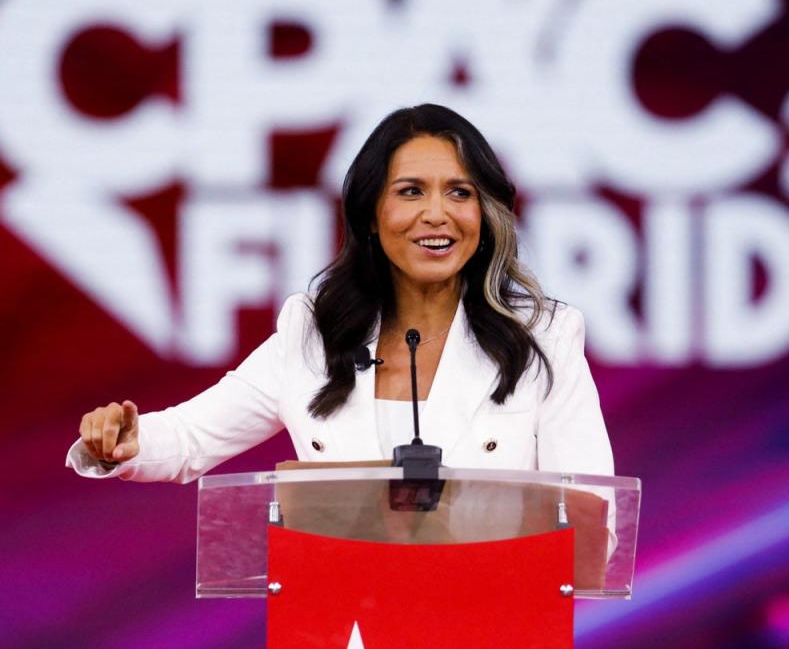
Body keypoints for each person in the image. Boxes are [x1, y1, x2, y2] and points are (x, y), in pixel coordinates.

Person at [67, 104, 614, 483]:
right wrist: (126, 443)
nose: (436, 214)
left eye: (459, 193)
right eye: (410, 192)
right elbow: (189, 437)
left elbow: (593, 509)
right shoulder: (313, 331)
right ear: (372, 215)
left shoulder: (544, 335)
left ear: (484, 213)